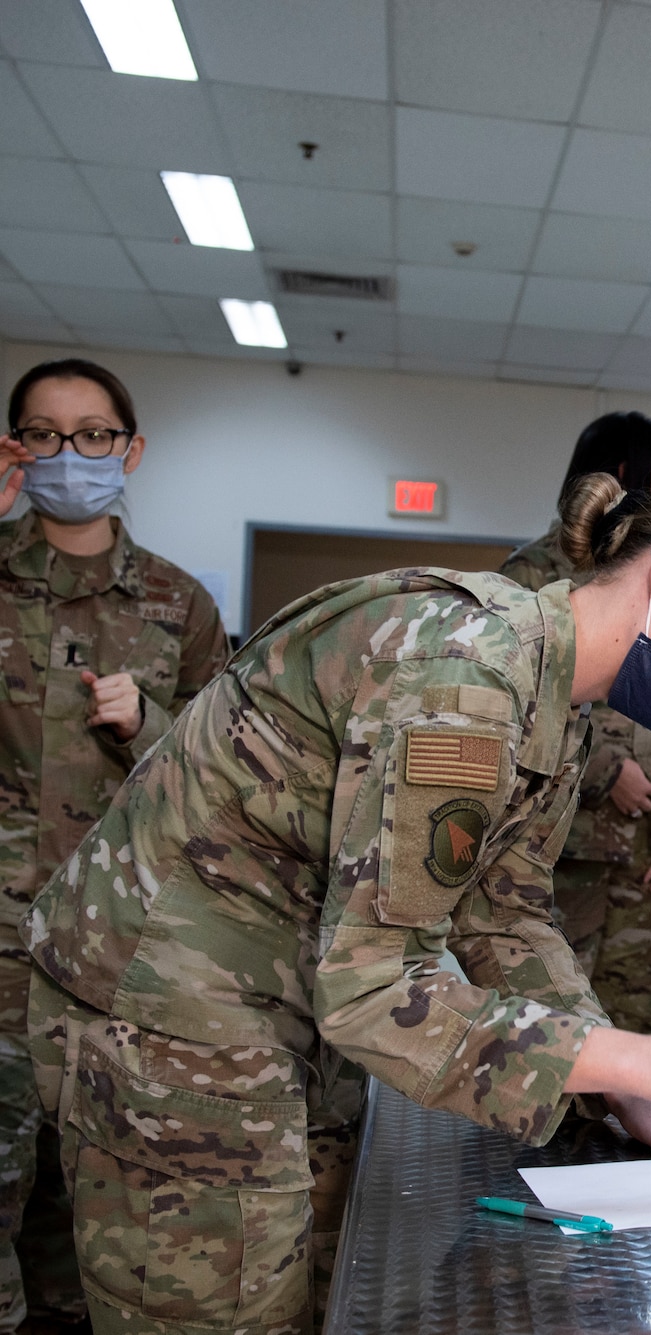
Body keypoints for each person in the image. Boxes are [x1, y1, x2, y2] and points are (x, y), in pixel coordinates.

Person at [24, 473, 651, 1334]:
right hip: (168, 999)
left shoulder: (553, 695)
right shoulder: (469, 674)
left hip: (279, 982)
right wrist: (632, 1058)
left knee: (321, 1285)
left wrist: (621, 1088)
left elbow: (503, 914)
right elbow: (373, 989)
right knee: (227, 1308)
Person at [0, 360, 230, 1333]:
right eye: (44, 435)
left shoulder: (178, 602)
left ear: (130, 451)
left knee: (101, 1180)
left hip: (121, 942)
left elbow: (231, 771)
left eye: (95, 434)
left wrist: (154, 723)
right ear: (15, 449)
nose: (70, 455)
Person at [503, 413, 651, 1033]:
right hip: (564, 842)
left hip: (648, 843)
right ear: (628, 475)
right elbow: (521, 703)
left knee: (641, 1008)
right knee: (552, 1016)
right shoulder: (531, 574)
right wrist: (604, 772)